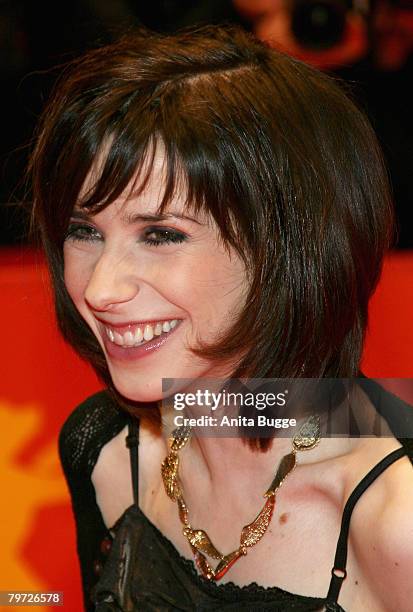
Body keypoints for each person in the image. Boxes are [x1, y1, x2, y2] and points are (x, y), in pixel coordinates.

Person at [29, 24, 413, 611]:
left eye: (161, 234)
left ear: (291, 250)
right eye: (84, 231)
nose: (100, 289)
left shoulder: (396, 518)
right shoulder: (106, 451)